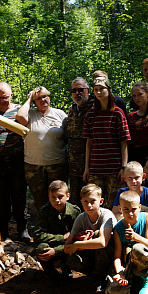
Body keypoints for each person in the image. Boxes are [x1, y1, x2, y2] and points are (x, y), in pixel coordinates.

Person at [17, 86, 69, 213]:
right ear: (34, 102)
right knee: (40, 200)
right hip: (34, 166)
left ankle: (60, 227)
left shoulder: (60, 114)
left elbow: (68, 136)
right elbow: (20, 118)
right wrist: (29, 99)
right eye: (38, 98)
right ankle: (43, 228)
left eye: (45, 96)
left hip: (57, 165)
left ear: (49, 97)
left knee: (59, 199)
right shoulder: (30, 114)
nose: (42, 100)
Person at [83, 77, 130, 208]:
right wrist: (87, 168)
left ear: (109, 90)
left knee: (113, 203)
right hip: (95, 167)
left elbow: (124, 141)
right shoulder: (90, 114)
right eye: (96, 90)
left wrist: (123, 167)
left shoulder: (118, 114)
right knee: (93, 202)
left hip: (114, 167)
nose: (98, 92)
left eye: (102, 89)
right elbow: (89, 142)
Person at [111, 162, 148, 273]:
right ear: (124, 178)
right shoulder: (122, 193)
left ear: (143, 177)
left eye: (137, 178)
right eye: (130, 178)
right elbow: (115, 214)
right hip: (128, 231)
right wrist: (128, 222)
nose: (133, 181)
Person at [0, 81, 29, 241]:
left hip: (17, 160)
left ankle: (23, 230)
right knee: (2, 197)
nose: (2, 100)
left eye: (5, 97)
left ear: (11, 95)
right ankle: (3, 231)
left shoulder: (19, 111)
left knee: (20, 196)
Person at [106, 190, 148, 294]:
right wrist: (120, 272)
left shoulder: (147, 217)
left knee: (137, 248)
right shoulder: (118, 229)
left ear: (139, 207)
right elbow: (117, 256)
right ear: (120, 209)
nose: (130, 214)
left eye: (134, 209)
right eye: (126, 210)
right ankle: (131, 281)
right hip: (128, 265)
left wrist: (135, 237)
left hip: (145, 261)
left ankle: (146, 278)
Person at [64, 184, 116, 284]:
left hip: (109, 255)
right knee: (71, 260)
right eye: (86, 202)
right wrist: (81, 246)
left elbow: (103, 242)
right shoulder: (81, 219)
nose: (89, 205)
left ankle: (104, 276)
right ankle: (94, 275)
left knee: (97, 234)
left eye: (93, 201)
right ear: (81, 203)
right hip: (91, 255)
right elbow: (66, 248)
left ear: (101, 201)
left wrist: (78, 245)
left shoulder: (107, 215)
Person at [33, 180, 81, 284]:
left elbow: (78, 236)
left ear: (67, 196)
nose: (57, 201)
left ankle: (67, 270)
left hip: (68, 246)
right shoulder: (45, 211)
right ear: (48, 197)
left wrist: (57, 250)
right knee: (41, 248)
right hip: (52, 244)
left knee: (76, 256)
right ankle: (50, 273)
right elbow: (37, 235)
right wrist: (62, 237)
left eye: (60, 197)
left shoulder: (74, 211)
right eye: (53, 197)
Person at [65, 77, 93, 205]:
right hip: (74, 166)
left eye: (80, 90)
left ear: (88, 90)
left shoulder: (94, 108)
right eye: (74, 90)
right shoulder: (72, 110)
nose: (77, 93)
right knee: (75, 201)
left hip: (92, 165)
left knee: (91, 199)